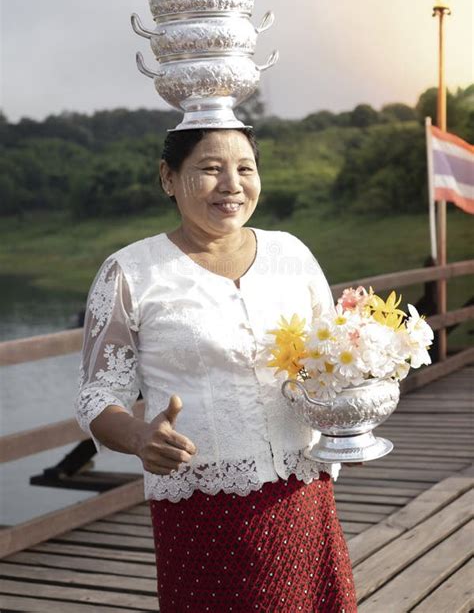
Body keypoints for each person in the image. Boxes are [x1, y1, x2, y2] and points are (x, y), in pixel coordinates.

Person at [75, 127, 358, 613]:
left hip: (305, 494)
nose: (232, 184)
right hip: (202, 507)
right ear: (168, 177)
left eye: (245, 169)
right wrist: (141, 437)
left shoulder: (291, 254)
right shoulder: (130, 272)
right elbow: (96, 396)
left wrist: (356, 399)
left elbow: (329, 361)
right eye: (210, 168)